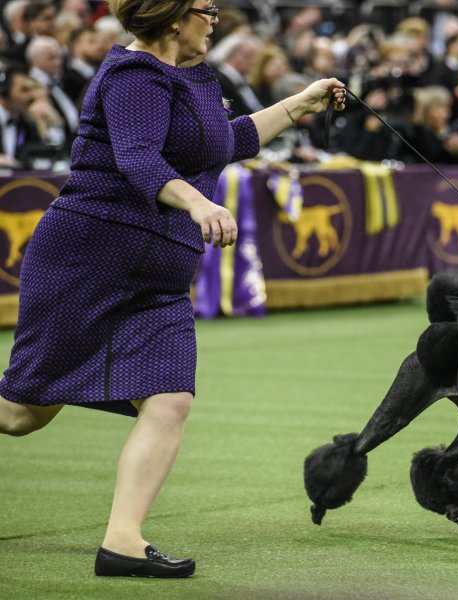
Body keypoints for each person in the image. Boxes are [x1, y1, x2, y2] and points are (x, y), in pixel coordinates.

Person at [0, 0, 345, 580]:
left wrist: (297, 104)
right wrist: (199, 201)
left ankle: (122, 542)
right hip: (88, 262)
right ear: (173, 17)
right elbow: (138, 159)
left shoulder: (190, 79)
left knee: (170, 400)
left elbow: (222, 143)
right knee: (20, 416)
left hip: (157, 281)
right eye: (208, 9)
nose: (216, 19)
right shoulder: (134, 75)